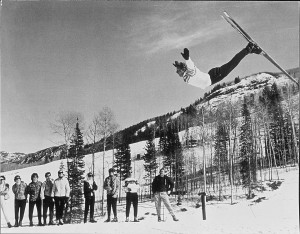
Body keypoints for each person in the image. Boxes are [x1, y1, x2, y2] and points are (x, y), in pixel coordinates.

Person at [173, 42, 262, 89]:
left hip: (213, 77)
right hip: (212, 75)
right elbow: (190, 69)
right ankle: (250, 50)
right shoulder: (186, 78)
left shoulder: (189, 74)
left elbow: (191, 68)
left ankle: (249, 49)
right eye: (177, 71)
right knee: (232, 64)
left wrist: (188, 59)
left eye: (178, 70)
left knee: (232, 64)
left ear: (183, 69)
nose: (177, 73)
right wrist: (186, 61)